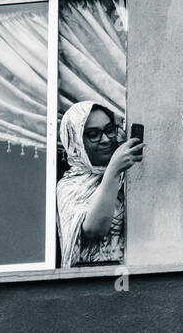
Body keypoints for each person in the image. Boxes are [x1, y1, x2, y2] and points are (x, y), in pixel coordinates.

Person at [56, 101, 144, 267]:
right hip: (95, 283)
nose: (105, 139)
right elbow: (94, 229)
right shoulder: (69, 186)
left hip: (140, 276)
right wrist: (113, 170)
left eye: (109, 130)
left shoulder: (129, 175)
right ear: (76, 142)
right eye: (93, 134)